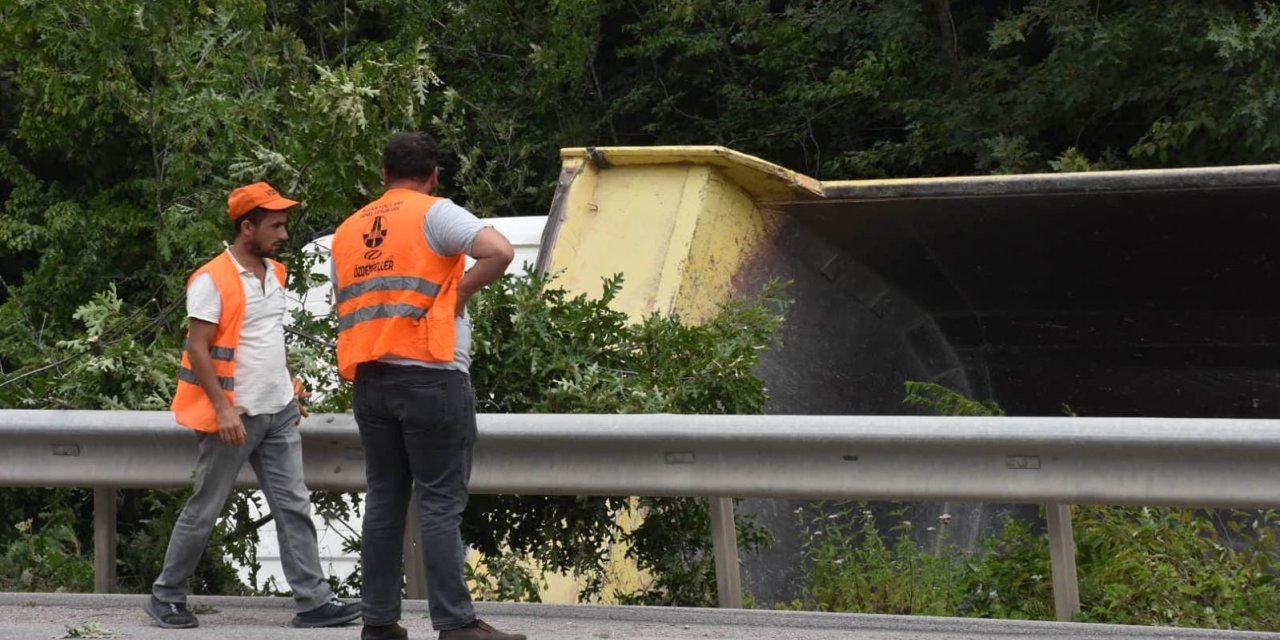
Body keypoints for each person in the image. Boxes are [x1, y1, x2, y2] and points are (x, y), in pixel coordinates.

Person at [330, 132, 522, 640]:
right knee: (438, 503)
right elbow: (499, 251)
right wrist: (453, 297)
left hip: (371, 378)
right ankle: (455, 624)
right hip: (432, 375)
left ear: (383, 174)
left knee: (385, 498)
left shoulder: (349, 231)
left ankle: (379, 623)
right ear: (434, 174)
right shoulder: (435, 213)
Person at [146, 182, 362, 630]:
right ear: (248, 228)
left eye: (284, 225)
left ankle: (313, 601)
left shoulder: (275, 274)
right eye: (275, 225)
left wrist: (289, 386)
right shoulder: (212, 279)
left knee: (294, 506)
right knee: (206, 507)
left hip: (278, 410)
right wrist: (223, 410)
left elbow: (269, 337)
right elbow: (199, 349)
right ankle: (167, 596)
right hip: (235, 417)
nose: (284, 234)